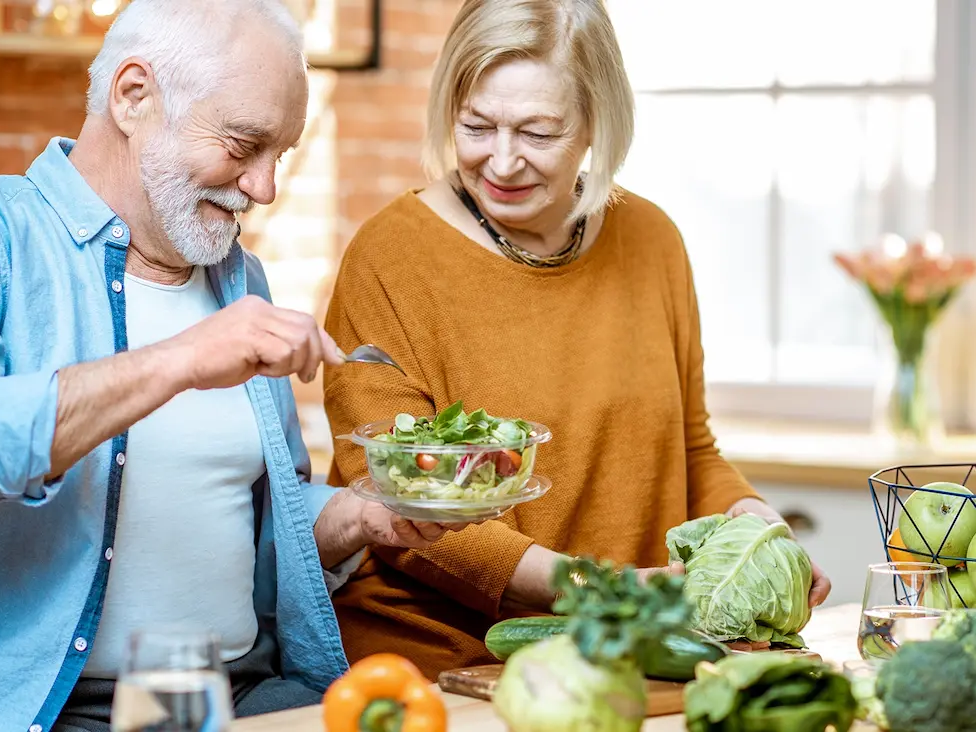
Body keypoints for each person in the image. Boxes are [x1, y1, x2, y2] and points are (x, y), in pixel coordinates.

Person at [0, 1, 460, 729]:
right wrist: (179, 359)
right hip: (38, 714)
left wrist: (363, 515)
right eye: (244, 144)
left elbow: (251, 522)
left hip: (247, 700)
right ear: (133, 95)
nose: (264, 187)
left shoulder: (238, 281)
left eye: (283, 156)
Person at [321, 0, 834, 680]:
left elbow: (690, 448)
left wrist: (756, 529)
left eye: (537, 132)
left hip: (628, 653)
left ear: (597, 122)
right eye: (476, 125)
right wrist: (598, 589)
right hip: (448, 666)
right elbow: (394, 499)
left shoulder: (652, 241)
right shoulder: (390, 256)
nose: (501, 161)